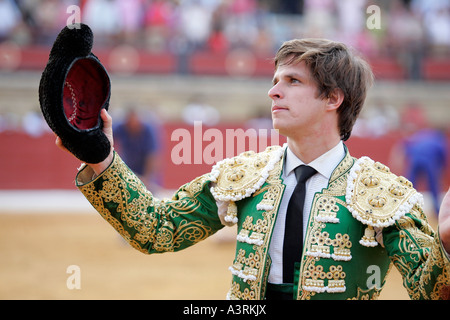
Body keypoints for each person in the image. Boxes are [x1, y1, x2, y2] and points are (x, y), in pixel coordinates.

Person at [57, 38, 450, 300]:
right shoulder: (245, 175)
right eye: (275, 80)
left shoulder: (383, 194)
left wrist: (447, 247)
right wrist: (101, 157)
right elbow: (156, 230)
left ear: (332, 98)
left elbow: (433, 292)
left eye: (292, 81)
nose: (272, 91)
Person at [113, 107, 161, 189]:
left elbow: (152, 157)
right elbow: (107, 138)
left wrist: (147, 178)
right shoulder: (121, 128)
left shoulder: (148, 131)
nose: (132, 126)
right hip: (128, 167)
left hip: (144, 169)